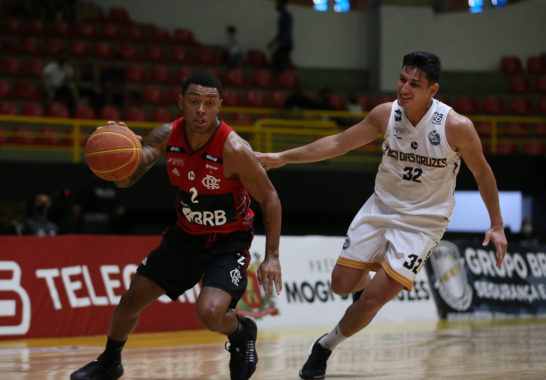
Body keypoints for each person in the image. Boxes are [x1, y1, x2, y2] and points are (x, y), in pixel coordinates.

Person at [256, 51, 508, 379]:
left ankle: (324, 347)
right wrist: (284, 157)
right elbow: (337, 143)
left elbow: (483, 174)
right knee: (340, 285)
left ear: (432, 90)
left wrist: (497, 224)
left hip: (423, 222)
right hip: (380, 208)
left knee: (373, 300)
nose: (404, 88)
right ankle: (369, 275)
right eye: (402, 79)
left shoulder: (456, 126)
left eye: (414, 84)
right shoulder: (385, 115)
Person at [70, 72, 283, 380]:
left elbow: (271, 198)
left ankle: (242, 332)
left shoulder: (235, 149)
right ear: (180, 102)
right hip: (185, 237)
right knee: (131, 300)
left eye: (209, 103)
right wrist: (122, 153)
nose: (201, 110)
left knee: (209, 313)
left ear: (219, 107)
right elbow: (128, 179)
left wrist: (273, 255)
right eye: (194, 101)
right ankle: (110, 362)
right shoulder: (167, 135)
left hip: (228, 241)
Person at [268, 0, 293, 71]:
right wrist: (273, 42)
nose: (276, 5)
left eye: (278, 3)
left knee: (278, 64)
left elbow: (287, 31)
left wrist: (281, 42)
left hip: (286, 44)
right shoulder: (282, 16)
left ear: (283, 4)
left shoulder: (287, 16)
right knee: (277, 62)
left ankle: (281, 80)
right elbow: (280, 33)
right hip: (283, 44)